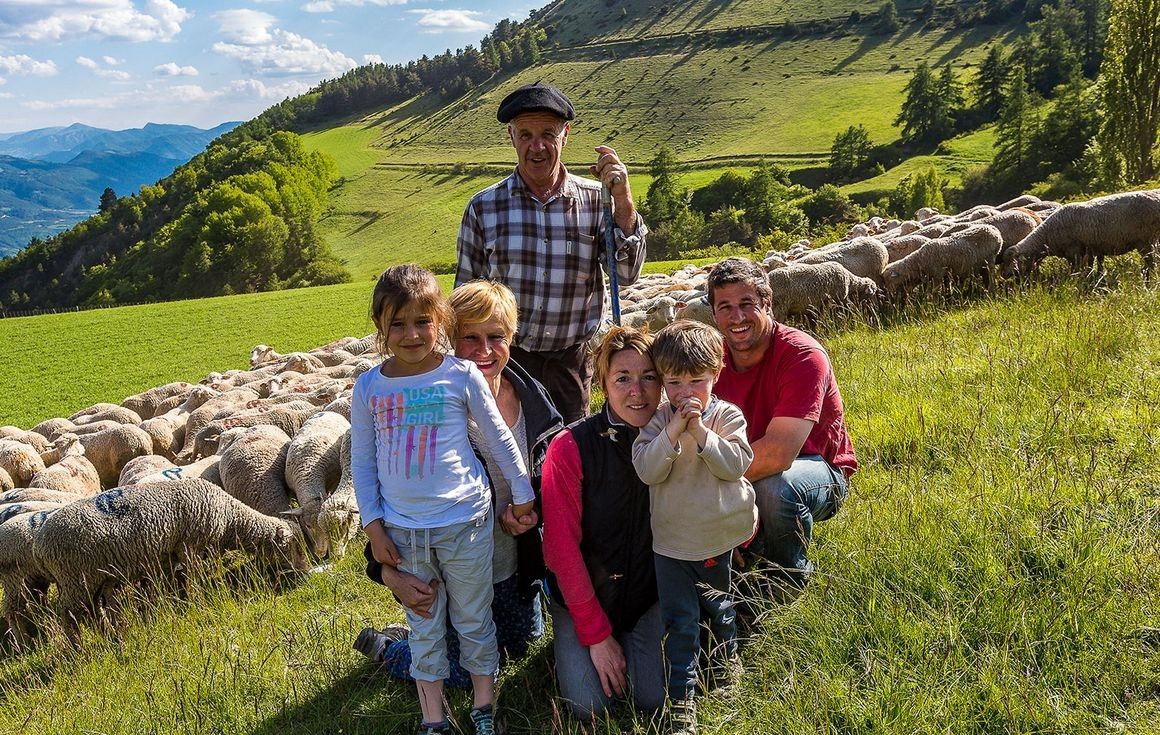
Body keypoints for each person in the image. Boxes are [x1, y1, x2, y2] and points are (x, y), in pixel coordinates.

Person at [351, 264, 536, 735]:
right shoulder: (369, 387)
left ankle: (484, 709)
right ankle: (433, 718)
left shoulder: (459, 375)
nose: (411, 334)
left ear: (439, 322)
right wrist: (373, 526)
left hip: (465, 523)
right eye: (398, 323)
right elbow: (363, 463)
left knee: (475, 619)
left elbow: (500, 439)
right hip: (406, 531)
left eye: (422, 321)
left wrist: (522, 495)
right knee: (424, 622)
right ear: (379, 324)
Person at [456, 81, 648, 424]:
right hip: (507, 362)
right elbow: (465, 301)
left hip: (570, 364)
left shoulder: (597, 201)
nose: (537, 146)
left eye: (548, 134)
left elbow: (626, 274)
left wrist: (623, 202)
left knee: (571, 450)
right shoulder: (484, 208)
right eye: (526, 135)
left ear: (565, 134)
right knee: (509, 449)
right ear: (511, 137)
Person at [631, 320, 757, 734]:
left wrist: (700, 432)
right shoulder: (657, 422)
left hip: (715, 539)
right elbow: (647, 470)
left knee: (720, 608)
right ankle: (683, 698)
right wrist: (672, 430)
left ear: (716, 373)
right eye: (674, 383)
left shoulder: (726, 417)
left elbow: (735, 466)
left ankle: (726, 666)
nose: (685, 393)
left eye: (696, 381)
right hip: (670, 545)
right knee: (680, 621)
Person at [707, 257, 858, 587]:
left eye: (747, 304)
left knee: (776, 489)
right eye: (725, 307)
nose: (737, 317)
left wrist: (708, 495)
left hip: (816, 470)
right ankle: (745, 556)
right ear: (714, 314)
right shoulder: (711, 364)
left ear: (767, 302)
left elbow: (778, 455)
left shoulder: (802, 355)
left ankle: (787, 579)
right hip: (740, 470)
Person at [541, 325, 666, 721]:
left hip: (647, 595)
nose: (637, 391)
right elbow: (561, 550)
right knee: (589, 706)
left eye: (649, 377)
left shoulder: (675, 437)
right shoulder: (570, 447)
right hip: (586, 592)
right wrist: (596, 635)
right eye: (623, 378)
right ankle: (580, 636)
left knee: (654, 698)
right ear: (603, 384)